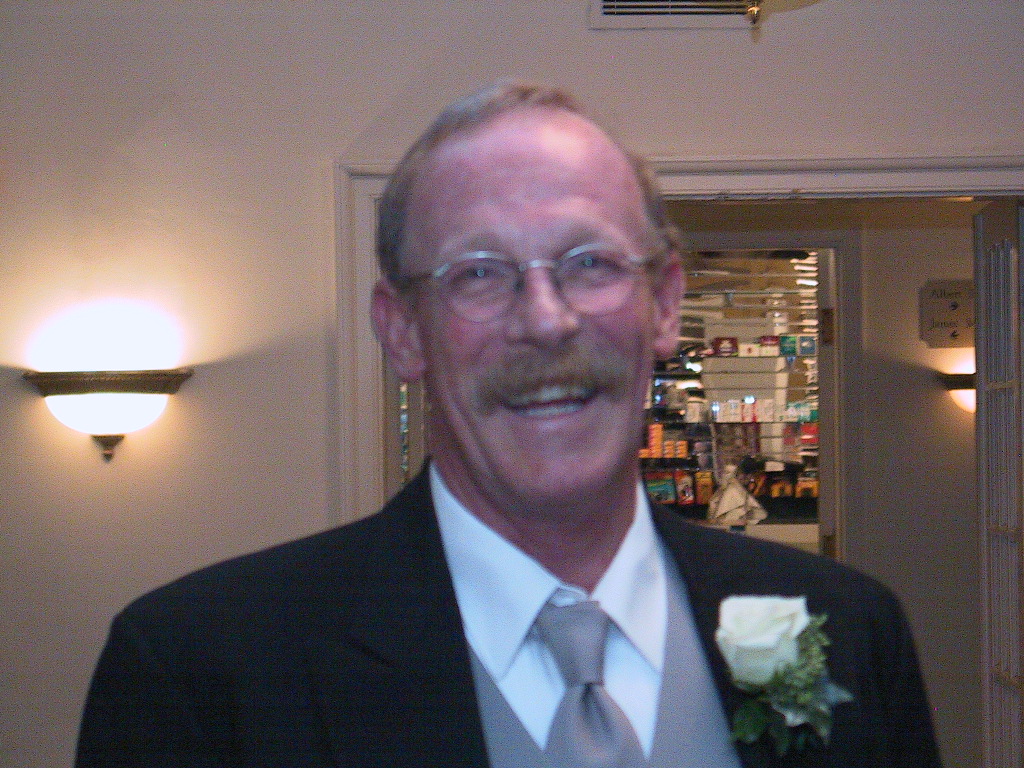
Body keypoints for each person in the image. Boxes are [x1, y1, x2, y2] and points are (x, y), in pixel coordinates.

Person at [75, 83, 942, 768]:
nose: (547, 321)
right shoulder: (198, 671)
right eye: (480, 273)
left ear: (665, 305)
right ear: (402, 332)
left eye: (590, 263)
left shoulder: (846, 631)